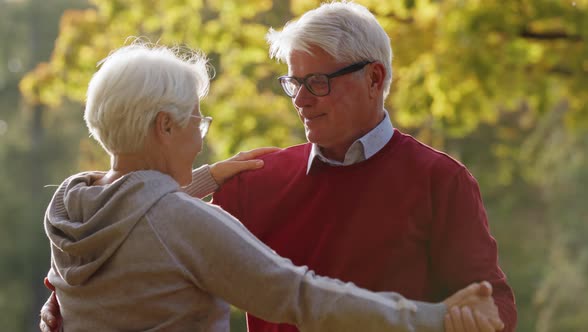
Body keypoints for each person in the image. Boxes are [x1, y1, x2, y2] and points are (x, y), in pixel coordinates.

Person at [39, 42, 504, 331]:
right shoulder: (186, 224)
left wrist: (210, 177)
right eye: (196, 125)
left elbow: (137, 211)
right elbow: (303, 298)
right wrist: (437, 319)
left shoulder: (71, 208)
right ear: (164, 126)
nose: (200, 142)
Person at [207, 1, 517, 332]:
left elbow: (492, 305)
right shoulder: (256, 180)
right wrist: (202, 179)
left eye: (317, 82)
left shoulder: (440, 181)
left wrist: (479, 321)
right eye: (295, 83)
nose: (300, 99)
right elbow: (157, 235)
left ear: (374, 78)